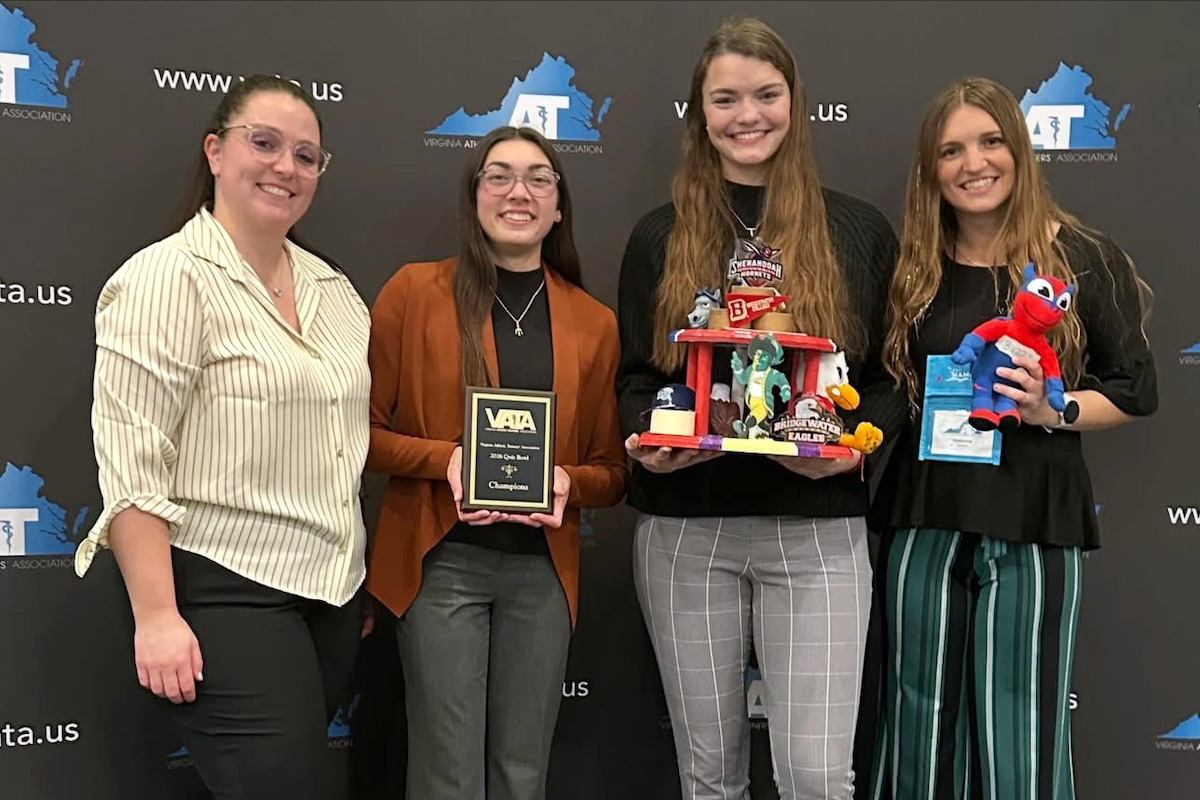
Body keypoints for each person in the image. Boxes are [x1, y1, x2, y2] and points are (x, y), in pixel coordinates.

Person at [615, 18, 907, 800]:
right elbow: (637, 379)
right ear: (699, 114)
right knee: (709, 777)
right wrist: (652, 442)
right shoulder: (659, 236)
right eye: (726, 98)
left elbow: (883, 380)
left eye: (767, 94)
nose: (749, 115)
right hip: (688, 528)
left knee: (815, 776)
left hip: (818, 533)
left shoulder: (855, 231)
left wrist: (857, 448)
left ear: (795, 103)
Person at [74, 76, 370, 799]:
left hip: (327, 599)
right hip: (222, 589)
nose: (286, 167)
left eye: (307, 155)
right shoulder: (165, 278)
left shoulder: (336, 291)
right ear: (214, 150)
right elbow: (133, 463)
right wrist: (157, 617)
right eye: (263, 143)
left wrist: (348, 579)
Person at [867, 76, 1157, 800]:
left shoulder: (1082, 259)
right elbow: (880, 389)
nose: (975, 163)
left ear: (1019, 149)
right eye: (952, 149)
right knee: (914, 719)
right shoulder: (912, 268)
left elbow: (1136, 390)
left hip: (1035, 518)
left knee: (1020, 728)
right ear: (931, 170)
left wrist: (1048, 411)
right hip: (924, 516)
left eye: (991, 141)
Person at [364, 124, 626, 800]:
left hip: (542, 573)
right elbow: (360, 435)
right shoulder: (414, 294)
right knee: (447, 773)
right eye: (499, 175)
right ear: (475, 195)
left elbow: (610, 472)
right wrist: (446, 461)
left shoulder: (593, 321)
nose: (519, 190)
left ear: (559, 205)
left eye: (539, 177)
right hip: (442, 561)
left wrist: (569, 481)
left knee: (522, 773)